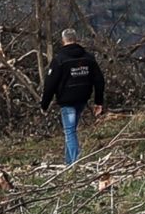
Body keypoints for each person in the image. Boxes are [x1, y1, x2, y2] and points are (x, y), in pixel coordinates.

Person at [40, 29, 106, 166]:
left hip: (67, 101)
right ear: (76, 40)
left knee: (69, 132)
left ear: (63, 41)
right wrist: (98, 101)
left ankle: (76, 163)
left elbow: (50, 84)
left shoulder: (59, 60)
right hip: (82, 99)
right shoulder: (88, 58)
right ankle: (68, 163)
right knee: (71, 131)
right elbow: (99, 80)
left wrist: (44, 105)